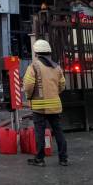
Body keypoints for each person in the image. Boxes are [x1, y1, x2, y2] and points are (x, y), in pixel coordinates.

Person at [23, 39, 67, 167]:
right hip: (55, 105)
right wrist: (54, 93)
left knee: (40, 132)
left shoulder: (34, 67)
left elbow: (28, 85)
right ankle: (63, 158)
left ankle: (40, 159)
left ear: (36, 53)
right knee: (58, 131)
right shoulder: (57, 67)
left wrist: (29, 96)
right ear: (49, 52)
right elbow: (62, 85)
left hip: (39, 106)